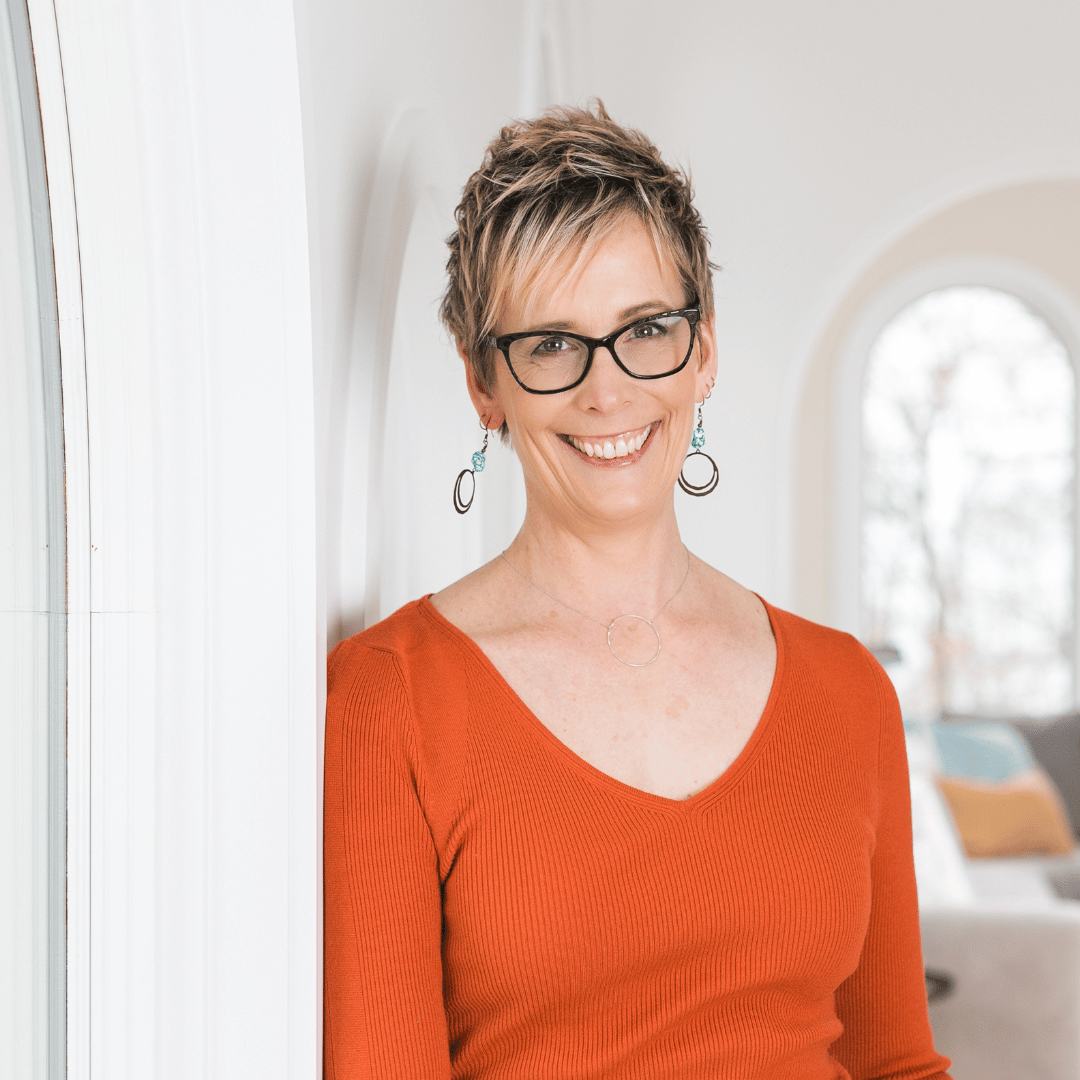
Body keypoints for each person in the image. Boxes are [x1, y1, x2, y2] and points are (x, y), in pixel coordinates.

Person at [323, 102, 951, 1079]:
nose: (605, 392)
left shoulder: (846, 690)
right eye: (549, 345)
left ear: (702, 353)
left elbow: (898, 1065)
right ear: (484, 384)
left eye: (645, 329)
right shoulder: (388, 700)